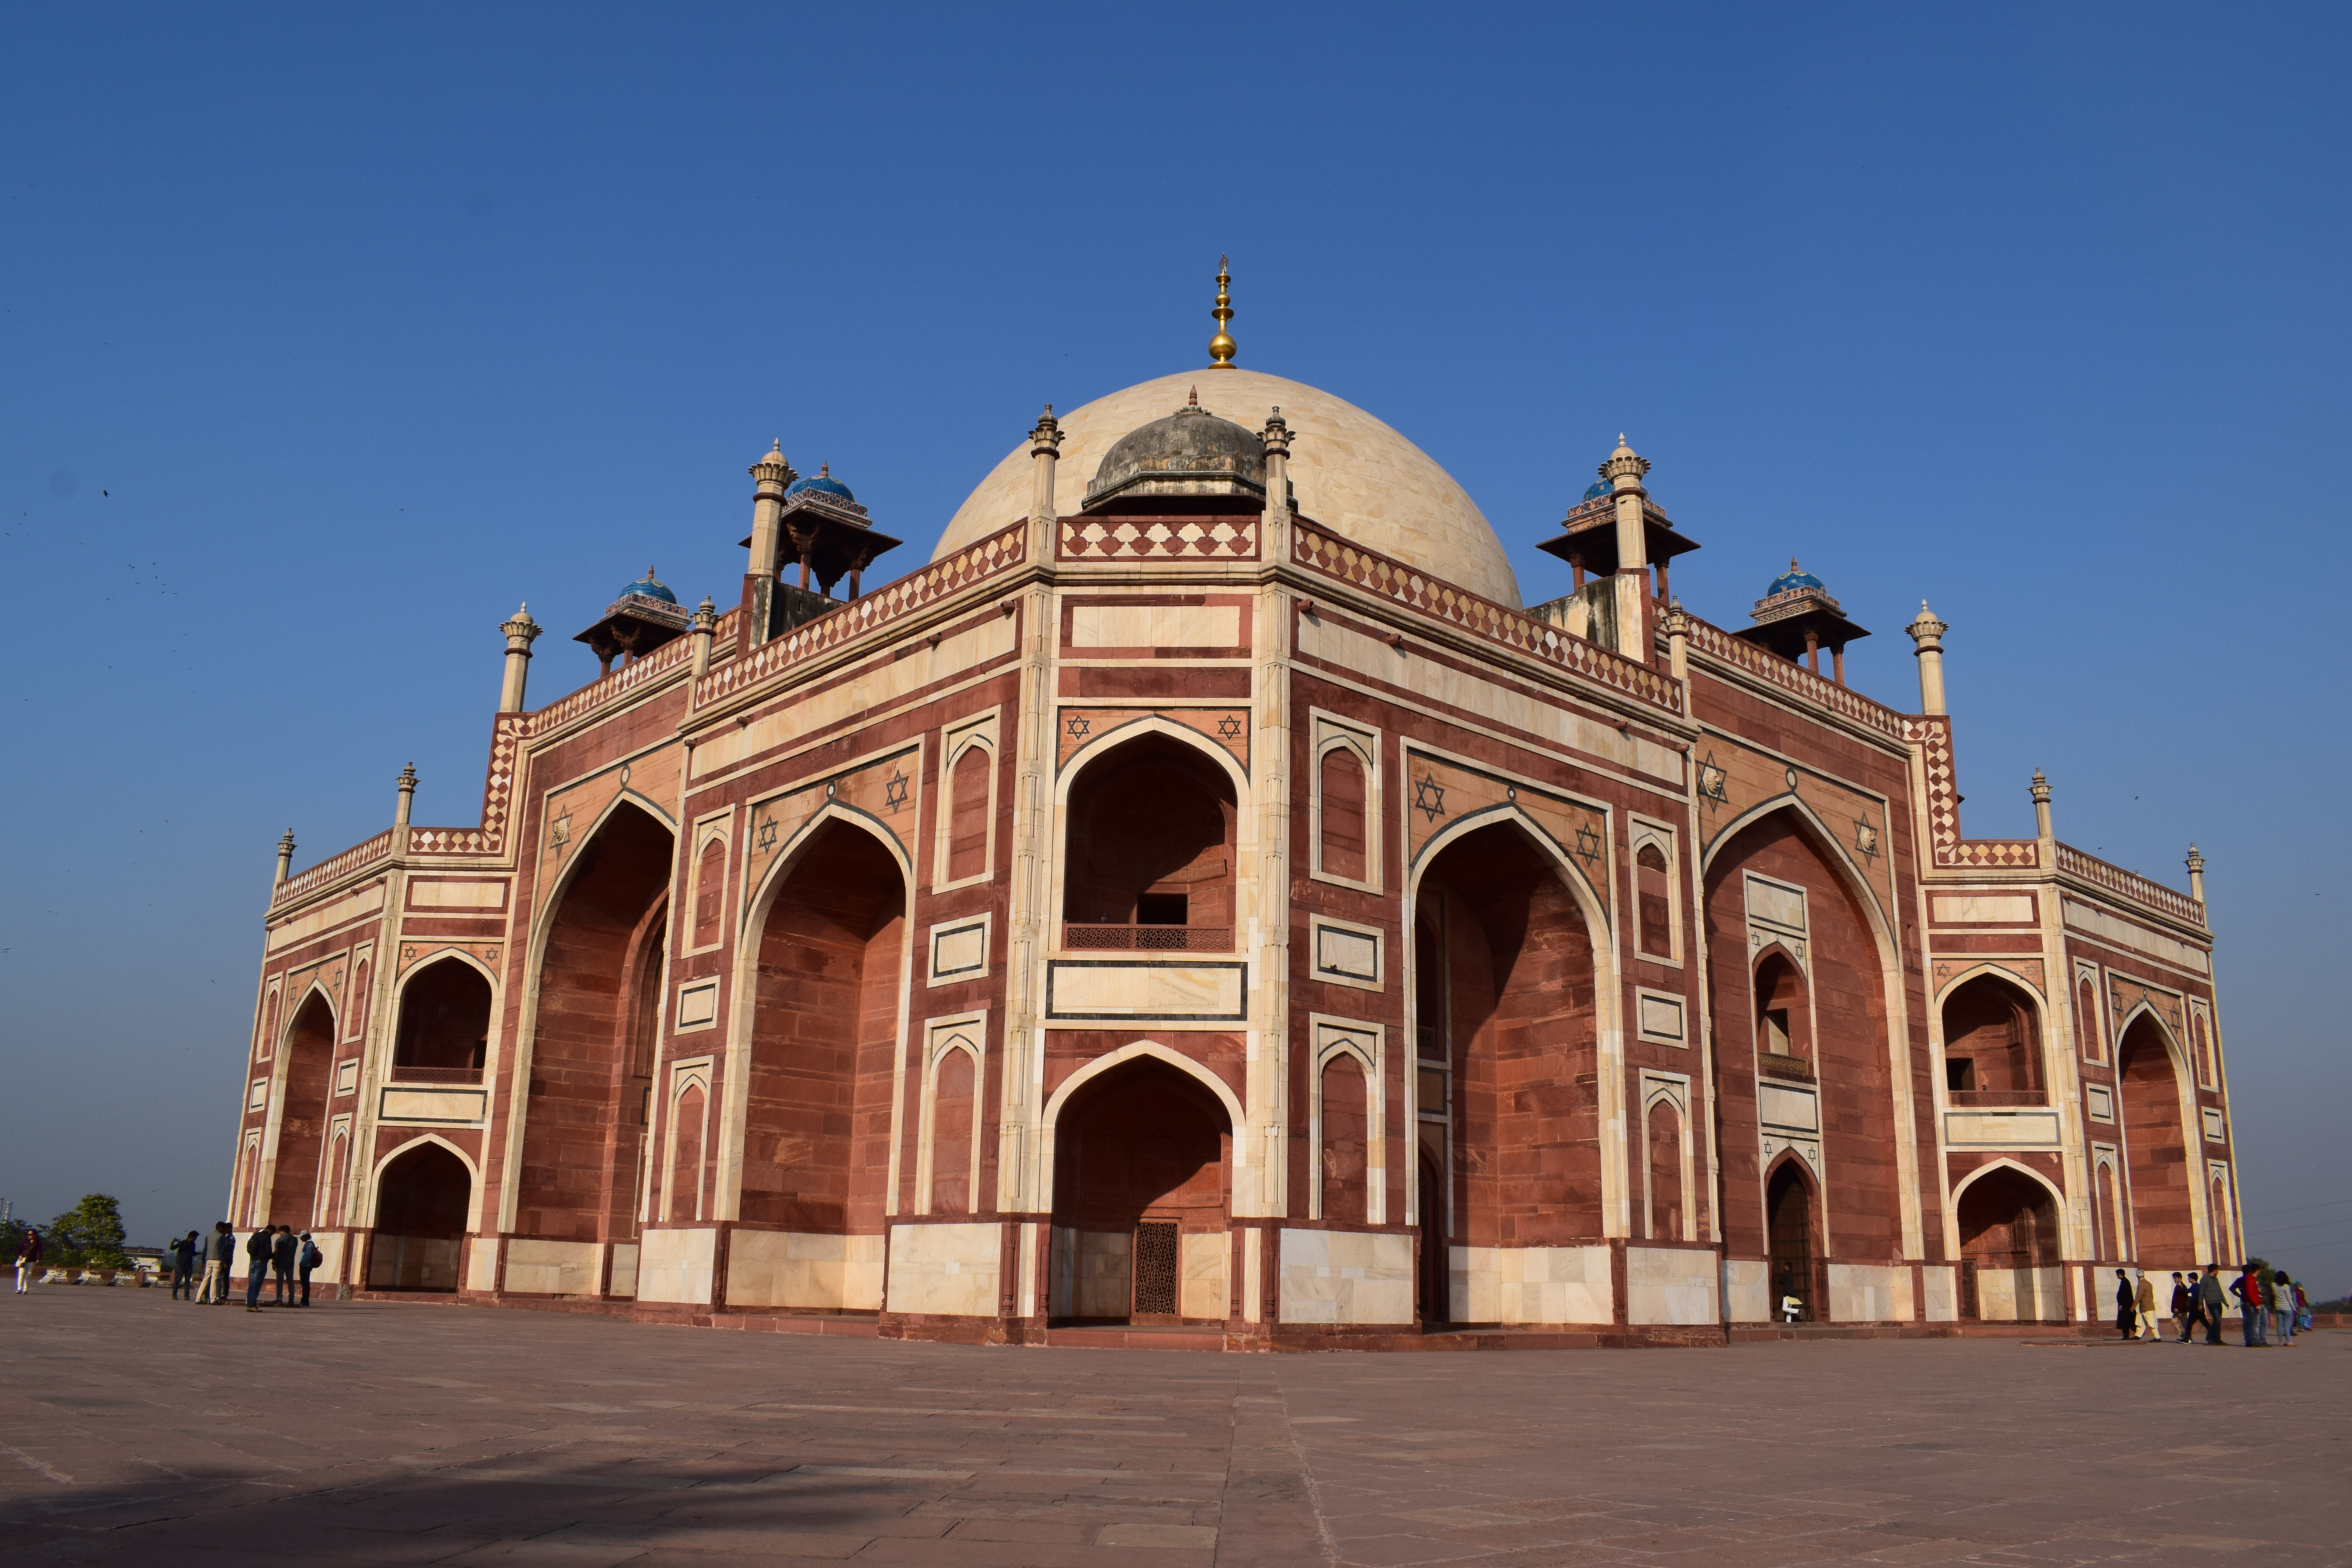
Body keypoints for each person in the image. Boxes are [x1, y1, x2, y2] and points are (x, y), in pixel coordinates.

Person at [2230, 1262, 2265, 1346]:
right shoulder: (2249, 1279)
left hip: (2243, 1301)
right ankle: (2255, 1340)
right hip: (2251, 1302)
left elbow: (2232, 1288)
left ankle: (2248, 1341)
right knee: (2254, 1323)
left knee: (2246, 1322)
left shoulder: (2240, 1280)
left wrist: (2240, 1295)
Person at [200, 1223, 233, 1305]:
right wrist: (224, 1261)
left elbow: (205, 1250)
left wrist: (203, 1261)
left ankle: (198, 1298)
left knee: (206, 1279)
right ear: (221, 1228)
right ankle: (213, 1300)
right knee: (215, 1281)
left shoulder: (209, 1236)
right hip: (217, 1260)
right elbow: (222, 1251)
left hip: (209, 1260)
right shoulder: (221, 1237)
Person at [243, 1225, 274, 1312]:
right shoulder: (266, 1237)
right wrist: (274, 1255)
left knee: (252, 1284)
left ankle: (250, 1304)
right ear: (270, 1230)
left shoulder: (256, 1235)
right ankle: (252, 1305)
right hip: (261, 1262)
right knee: (256, 1285)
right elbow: (268, 1252)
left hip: (253, 1261)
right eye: (272, 1233)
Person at [269, 1226, 297, 1307]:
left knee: (280, 1281)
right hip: (290, 1262)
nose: (279, 1233)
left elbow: (276, 1252)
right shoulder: (294, 1240)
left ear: (283, 1231)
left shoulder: (280, 1240)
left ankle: (279, 1299)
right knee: (290, 1281)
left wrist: (274, 1263)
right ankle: (291, 1299)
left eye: (280, 1232)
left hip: (280, 1263)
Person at [2198, 1268, 2228, 1344]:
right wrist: (2200, 1304)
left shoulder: (2215, 1279)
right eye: (2218, 1270)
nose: (2218, 1272)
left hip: (2218, 1302)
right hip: (2211, 1303)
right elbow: (2201, 1292)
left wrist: (2225, 1302)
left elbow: (2220, 1291)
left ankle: (2217, 1339)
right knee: (2217, 1321)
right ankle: (2210, 1337)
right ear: (2214, 1270)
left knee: (2218, 1322)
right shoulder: (2205, 1279)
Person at [169, 1231, 200, 1300]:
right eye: (195, 1237)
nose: (196, 1239)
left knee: (188, 1281)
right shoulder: (183, 1243)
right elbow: (172, 1248)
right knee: (178, 1280)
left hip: (189, 1264)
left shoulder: (193, 1244)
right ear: (192, 1237)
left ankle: (186, 1296)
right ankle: (174, 1295)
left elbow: (192, 1253)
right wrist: (173, 1242)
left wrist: (200, 1253)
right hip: (182, 1264)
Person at [295, 1232, 321, 1308]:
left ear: (306, 1237)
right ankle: (304, 1301)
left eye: (302, 1237)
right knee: (305, 1284)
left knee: (305, 1285)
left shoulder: (309, 1244)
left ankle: (305, 1302)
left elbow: (308, 1255)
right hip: (306, 1266)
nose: (301, 1239)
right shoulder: (308, 1243)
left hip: (306, 1266)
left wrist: (302, 1263)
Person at [2171, 1272, 2197, 1343]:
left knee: (2185, 1324)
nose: (2174, 1279)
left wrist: (2177, 1307)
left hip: (2181, 1309)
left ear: (2180, 1278)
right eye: (2174, 1278)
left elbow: (2182, 1299)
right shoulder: (2178, 1286)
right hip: (2177, 1309)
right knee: (2174, 1322)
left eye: (2176, 1278)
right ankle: (2183, 1336)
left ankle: (2189, 1338)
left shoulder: (2182, 1287)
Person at [13, 1225, 41, 1294]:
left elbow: (40, 1251)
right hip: (23, 1260)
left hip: (32, 1261)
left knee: (28, 1275)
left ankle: (25, 1290)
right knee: (21, 1274)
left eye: (30, 1235)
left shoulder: (38, 1242)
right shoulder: (25, 1241)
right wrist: (20, 1255)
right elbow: (20, 1249)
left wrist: (39, 1259)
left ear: (34, 1235)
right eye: (28, 1234)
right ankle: (19, 1289)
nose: (29, 1236)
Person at [2272, 1270, 2297, 1346]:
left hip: (2278, 1307)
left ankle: (2281, 1342)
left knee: (2279, 1325)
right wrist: (2294, 1308)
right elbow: (2289, 1299)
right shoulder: (2286, 1286)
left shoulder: (2273, 1285)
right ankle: (2289, 1341)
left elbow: (2273, 1295)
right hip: (2286, 1307)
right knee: (2287, 1325)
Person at [2134, 1270, 2158, 1341]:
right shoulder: (2149, 1283)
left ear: (2137, 1276)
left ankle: (2157, 1337)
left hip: (2146, 1307)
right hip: (2147, 1306)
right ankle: (2138, 1335)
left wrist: (2133, 1307)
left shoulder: (2141, 1284)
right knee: (2141, 1322)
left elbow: (2138, 1296)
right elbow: (2151, 1296)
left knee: (2152, 1323)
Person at [2113, 1269, 2135, 1339]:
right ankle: (2126, 1336)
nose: (2117, 1276)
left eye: (2117, 1274)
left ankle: (2127, 1336)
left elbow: (2124, 1295)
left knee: (2126, 1321)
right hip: (2126, 1305)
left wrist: (2121, 1304)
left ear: (2120, 1274)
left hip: (2125, 1306)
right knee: (2126, 1321)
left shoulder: (2125, 1282)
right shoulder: (2124, 1282)